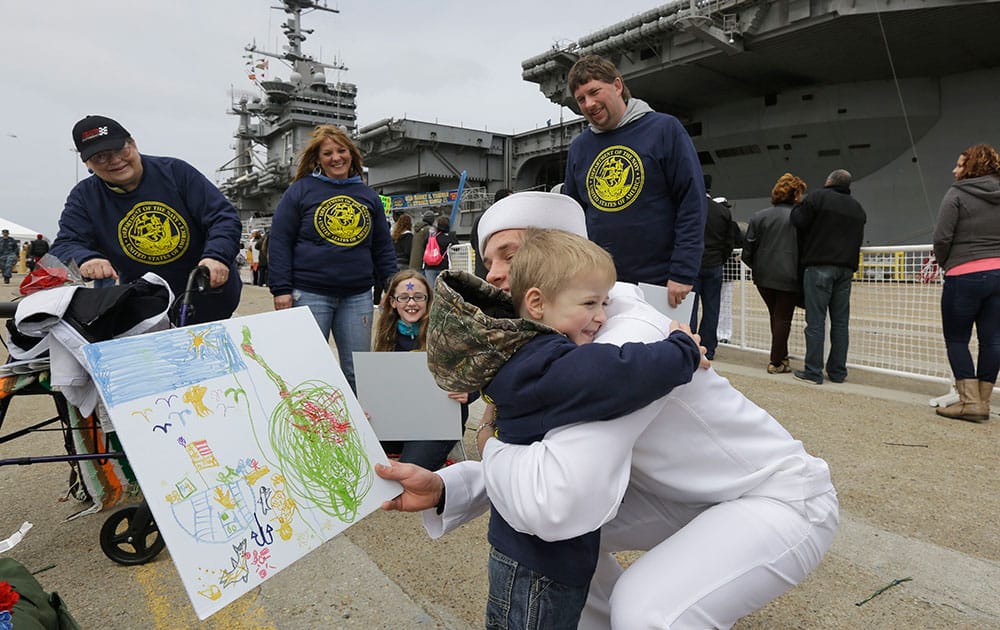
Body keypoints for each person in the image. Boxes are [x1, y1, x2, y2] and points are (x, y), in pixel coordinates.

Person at [378, 191, 838, 629]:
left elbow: (555, 499)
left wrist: (487, 442)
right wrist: (445, 487)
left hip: (776, 498)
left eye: (509, 254)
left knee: (646, 611)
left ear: (558, 254)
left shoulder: (623, 338)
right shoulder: (573, 330)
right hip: (690, 493)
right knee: (565, 546)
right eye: (489, 260)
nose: (493, 273)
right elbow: (548, 464)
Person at [429, 228, 703, 629]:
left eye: (606, 303)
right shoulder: (544, 361)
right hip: (539, 564)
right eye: (590, 302)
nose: (603, 317)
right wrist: (683, 349)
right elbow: (619, 373)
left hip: (530, 553)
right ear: (537, 303)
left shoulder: (524, 355)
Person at [51, 115, 242, 322]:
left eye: (120, 149)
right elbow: (65, 244)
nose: (115, 161)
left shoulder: (177, 173)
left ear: (133, 143)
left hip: (209, 300)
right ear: (87, 163)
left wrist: (216, 256)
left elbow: (223, 218)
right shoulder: (84, 197)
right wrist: (86, 258)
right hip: (146, 310)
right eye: (100, 157)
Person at [562, 54, 706, 307]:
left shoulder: (664, 129)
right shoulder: (579, 148)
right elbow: (572, 214)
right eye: (581, 99)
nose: (589, 104)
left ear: (617, 86)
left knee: (667, 346)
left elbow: (691, 202)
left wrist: (683, 272)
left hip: (661, 282)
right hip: (601, 283)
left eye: (595, 92)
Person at [268, 124, 397, 393]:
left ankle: (358, 429)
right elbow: (280, 241)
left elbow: (383, 247)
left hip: (358, 295)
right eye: (328, 153)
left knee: (357, 371)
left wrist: (391, 285)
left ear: (352, 154)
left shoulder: (367, 196)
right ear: (318, 159)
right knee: (308, 368)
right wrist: (281, 289)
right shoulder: (300, 191)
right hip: (310, 292)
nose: (336, 157)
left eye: (342, 151)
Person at [372, 269, 476, 470]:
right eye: (404, 297)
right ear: (393, 302)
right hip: (397, 420)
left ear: (428, 300)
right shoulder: (386, 336)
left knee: (410, 470)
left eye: (418, 297)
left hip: (436, 423)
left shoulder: (447, 332)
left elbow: (479, 374)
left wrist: (468, 392)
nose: (411, 303)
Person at [932, 143, 1000, 422]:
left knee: (957, 338)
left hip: (964, 274)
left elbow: (942, 237)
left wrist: (948, 262)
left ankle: (969, 401)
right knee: (993, 340)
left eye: (960, 165)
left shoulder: (957, 193)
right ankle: (983, 401)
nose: (954, 169)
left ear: (970, 167)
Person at [790, 169, 867, 384]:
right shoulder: (857, 208)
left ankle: (813, 371)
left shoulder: (817, 197)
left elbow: (798, 220)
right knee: (841, 323)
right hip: (846, 270)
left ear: (829, 181)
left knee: (815, 321)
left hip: (819, 266)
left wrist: (798, 203)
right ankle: (838, 372)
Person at [742, 173, 808, 374]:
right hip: (789, 276)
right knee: (782, 318)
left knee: (776, 316)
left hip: (763, 277)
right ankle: (776, 361)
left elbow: (747, 252)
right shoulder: (801, 217)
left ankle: (782, 356)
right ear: (796, 194)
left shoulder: (758, 217)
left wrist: (759, 267)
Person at [689, 174, 737, 360]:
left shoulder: (691, 208)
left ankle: (690, 344)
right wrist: (720, 259)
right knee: (712, 308)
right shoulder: (723, 211)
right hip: (715, 265)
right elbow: (729, 243)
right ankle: (709, 348)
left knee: (690, 308)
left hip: (693, 265)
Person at [470, 189, 512, 279]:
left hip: (481, 270)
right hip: (502, 274)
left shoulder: (480, 218)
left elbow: (473, 243)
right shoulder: (508, 219)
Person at [422, 215, 455, 289]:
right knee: (443, 289)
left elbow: (424, 245)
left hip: (429, 266)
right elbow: (456, 245)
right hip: (442, 265)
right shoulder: (447, 238)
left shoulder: (431, 237)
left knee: (431, 289)